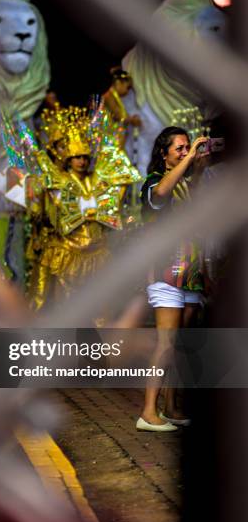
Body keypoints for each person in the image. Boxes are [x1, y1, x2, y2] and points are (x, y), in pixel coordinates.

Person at [24, 106, 142, 311]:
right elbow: (44, 212)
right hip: (68, 252)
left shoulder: (98, 178)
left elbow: (114, 195)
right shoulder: (57, 180)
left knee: (102, 310)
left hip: (98, 252)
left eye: (85, 157)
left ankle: (102, 342)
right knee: (68, 307)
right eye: (77, 157)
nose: (82, 161)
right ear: (68, 159)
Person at [137, 127, 208, 432]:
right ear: (164, 154)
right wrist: (190, 159)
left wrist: (200, 170)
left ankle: (170, 407)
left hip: (190, 273)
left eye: (187, 147)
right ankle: (148, 412)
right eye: (179, 148)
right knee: (166, 344)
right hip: (166, 271)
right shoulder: (155, 182)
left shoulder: (187, 185)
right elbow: (161, 195)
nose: (185, 152)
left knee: (182, 346)